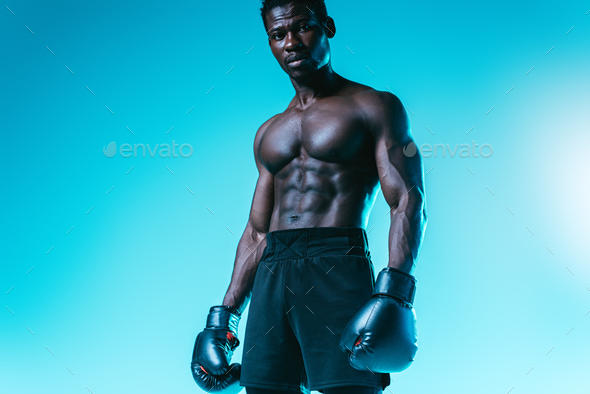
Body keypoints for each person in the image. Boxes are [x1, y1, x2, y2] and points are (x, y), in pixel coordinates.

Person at [191, 1, 427, 394]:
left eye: (302, 27)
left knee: (348, 388)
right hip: (274, 270)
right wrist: (224, 318)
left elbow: (406, 200)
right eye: (278, 35)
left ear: (328, 27)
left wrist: (396, 290)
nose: (291, 42)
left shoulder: (375, 106)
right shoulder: (269, 132)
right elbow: (256, 232)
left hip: (336, 263)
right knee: (265, 389)